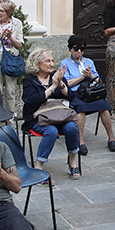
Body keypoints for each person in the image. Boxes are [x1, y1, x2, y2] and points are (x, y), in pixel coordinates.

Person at [22, 48, 81, 178]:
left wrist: (60, 83)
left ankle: (72, 161)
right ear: (37, 63)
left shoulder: (56, 75)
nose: (51, 64)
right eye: (47, 61)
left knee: (72, 128)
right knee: (51, 131)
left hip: (60, 117)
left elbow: (71, 96)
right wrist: (53, 86)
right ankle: (39, 166)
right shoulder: (29, 80)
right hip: (37, 118)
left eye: (52, 61)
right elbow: (31, 100)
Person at [61, 35, 115, 155]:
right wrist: (82, 77)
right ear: (71, 49)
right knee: (80, 109)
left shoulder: (89, 62)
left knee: (104, 106)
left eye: (82, 49)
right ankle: (80, 141)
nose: (79, 52)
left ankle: (111, 137)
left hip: (90, 92)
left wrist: (91, 75)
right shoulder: (65, 63)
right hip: (76, 92)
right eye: (76, 49)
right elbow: (66, 83)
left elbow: (98, 81)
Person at [0, 0, 25, 118]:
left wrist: (10, 37)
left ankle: (11, 116)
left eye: (1, 10)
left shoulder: (17, 23)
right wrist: (0, 36)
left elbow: (20, 45)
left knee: (10, 90)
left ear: (8, 11)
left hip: (11, 58)